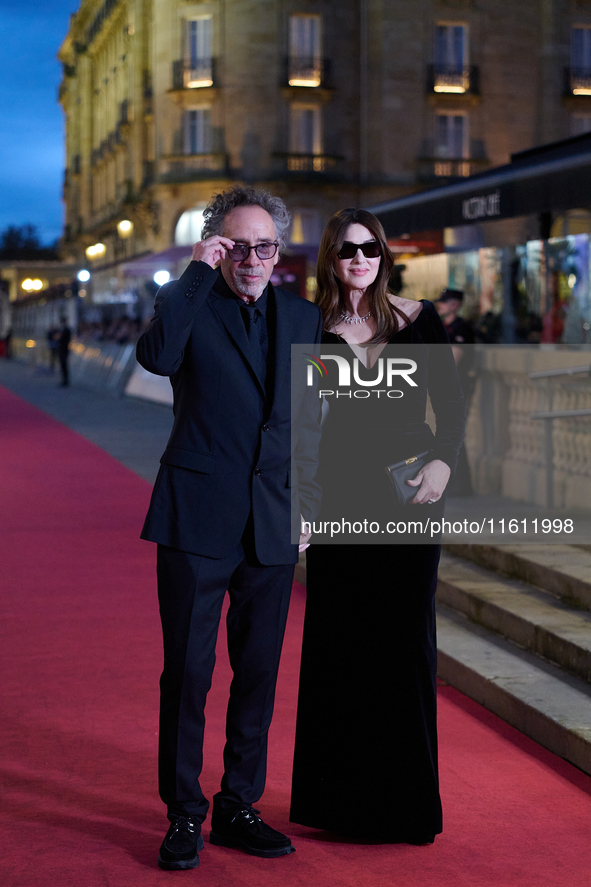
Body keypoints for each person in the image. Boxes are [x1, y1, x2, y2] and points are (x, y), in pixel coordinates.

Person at [136, 186, 322, 871]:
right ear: (216, 247)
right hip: (195, 518)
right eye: (236, 245)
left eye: (263, 245)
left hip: (271, 522)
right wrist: (191, 272)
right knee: (187, 673)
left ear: (278, 250)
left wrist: (309, 502)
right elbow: (156, 359)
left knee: (258, 673)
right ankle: (182, 812)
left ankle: (238, 804)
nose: (250, 258)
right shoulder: (187, 305)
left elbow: (309, 419)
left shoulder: (303, 316)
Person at [290, 208, 465, 844]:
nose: (359, 260)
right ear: (331, 259)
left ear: (384, 255)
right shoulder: (311, 327)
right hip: (338, 498)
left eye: (370, 250)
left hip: (410, 494)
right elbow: (298, 425)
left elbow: (451, 407)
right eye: (347, 251)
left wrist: (445, 463)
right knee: (340, 644)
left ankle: (407, 805)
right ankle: (341, 805)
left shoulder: (419, 321)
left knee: (405, 642)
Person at [57, 316, 71, 387]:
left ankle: (66, 380)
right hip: (62, 349)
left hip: (64, 350)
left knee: (64, 365)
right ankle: (64, 380)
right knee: (62, 365)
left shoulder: (66, 330)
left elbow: (62, 339)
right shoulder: (62, 330)